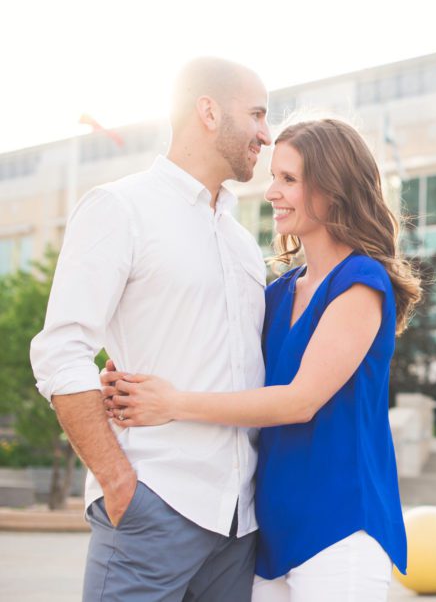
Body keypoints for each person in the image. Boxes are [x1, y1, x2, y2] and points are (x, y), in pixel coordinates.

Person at [104, 118, 420, 601]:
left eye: (289, 179)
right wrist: (131, 362)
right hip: (269, 530)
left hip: (341, 527)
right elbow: (220, 354)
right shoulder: (277, 292)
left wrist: (172, 403)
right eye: (275, 177)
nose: (271, 192)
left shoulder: (361, 283)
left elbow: (299, 402)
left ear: (333, 188)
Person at [30, 57, 272, 600]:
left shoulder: (240, 244)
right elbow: (61, 351)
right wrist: (119, 482)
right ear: (207, 111)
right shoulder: (121, 207)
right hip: (154, 507)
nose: (266, 133)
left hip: (238, 525)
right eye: (256, 114)